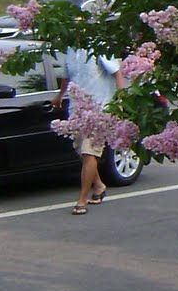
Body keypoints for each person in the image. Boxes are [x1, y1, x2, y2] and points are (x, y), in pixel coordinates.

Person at [53, 47, 126, 215]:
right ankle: (99, 186)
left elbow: (117, 73)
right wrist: (59, 95)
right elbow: (67, 76)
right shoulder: (69, 51)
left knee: (89, 152)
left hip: (99, 108)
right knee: (81, 150)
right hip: (77, 109)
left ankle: (81, 200)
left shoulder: (98, 46)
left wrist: (122, 99)